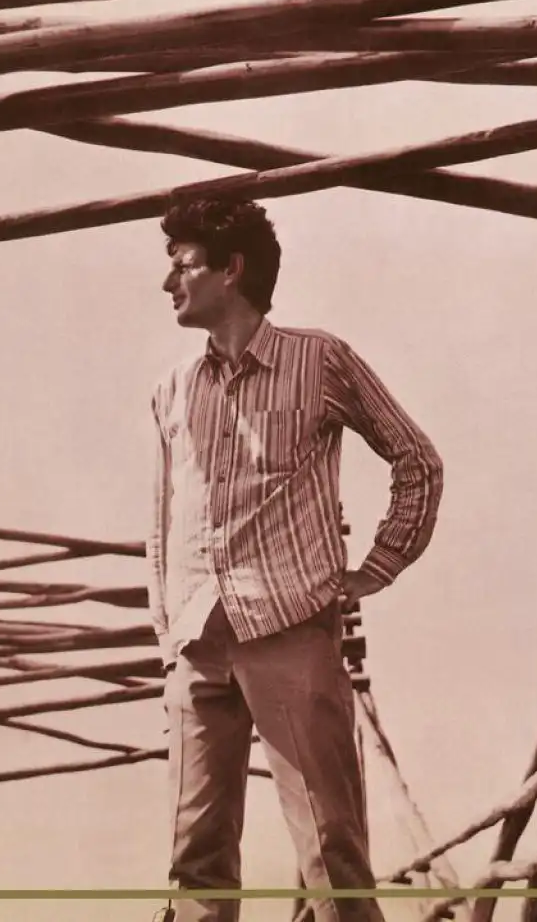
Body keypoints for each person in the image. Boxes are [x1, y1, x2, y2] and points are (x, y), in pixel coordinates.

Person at [146, 197, 444, 922]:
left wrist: (377, 566)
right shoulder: (172, 390)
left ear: (232, 269)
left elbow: (416, 461)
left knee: (330, 854)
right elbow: (162, 519)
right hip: (197, 643)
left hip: (289, 633)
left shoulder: (319, 361)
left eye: (184, 264)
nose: (168, 282)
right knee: (194, 861)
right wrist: (168, 629)